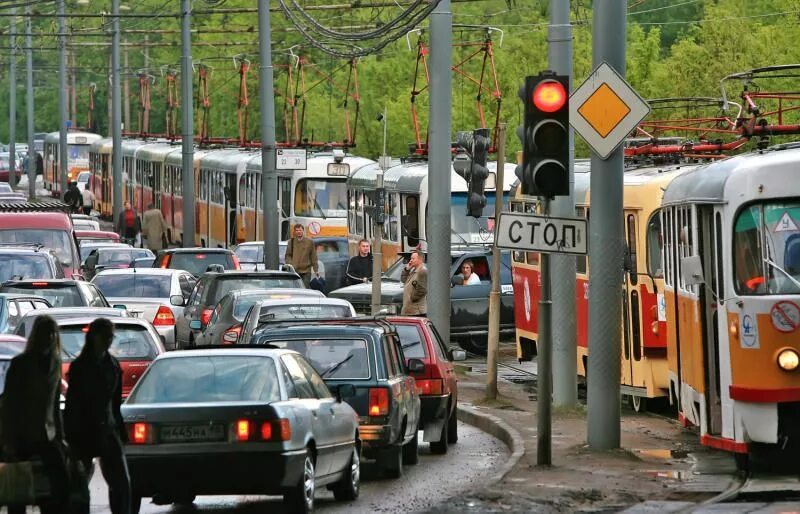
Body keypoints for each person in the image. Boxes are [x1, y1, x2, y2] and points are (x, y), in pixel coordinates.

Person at [1, 315, 71, 514]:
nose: (49, 338)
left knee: (61, 483)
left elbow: (54, 405)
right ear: (36, 336)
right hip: (23, 434)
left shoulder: (54, 363)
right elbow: (10, 405)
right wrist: (9, 440)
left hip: (47, 434)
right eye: (45, 333)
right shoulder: (21, 364)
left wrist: (61, 437)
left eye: (52, 334)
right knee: (18, 488)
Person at [64, 318, 130, 514]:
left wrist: (120, 430)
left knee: (121, 484)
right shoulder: (80, 367)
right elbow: (73, 405)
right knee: (79, 486)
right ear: (93, 337)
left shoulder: (113, 365)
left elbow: (115, 404)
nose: (109, 341)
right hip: (83, 431)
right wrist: (70, 437)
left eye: (111, 336)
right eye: (106, 336)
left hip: (107, 429)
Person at [285, 223, 319, 287]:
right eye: (297, 230)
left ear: (303, 231)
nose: (298, 232)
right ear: (294, 232)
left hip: (306, 270)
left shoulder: (309, 242)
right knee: (296, 288)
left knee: (304, 287)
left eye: (300, 230)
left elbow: (313, 256)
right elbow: (287, 255)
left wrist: (316, 270)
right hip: (295, 271)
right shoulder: (291, 242)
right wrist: (291, 264)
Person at [401, 250, 428, 315]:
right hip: (409, 310)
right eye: (411, 258)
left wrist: (412, 298)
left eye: (413, 258)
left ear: (420, 259)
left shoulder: (422, 271)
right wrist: (407, 270)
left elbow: (422, 290)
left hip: (416, 311)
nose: (411, 260)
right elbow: (403, 280)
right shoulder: (413, 271)